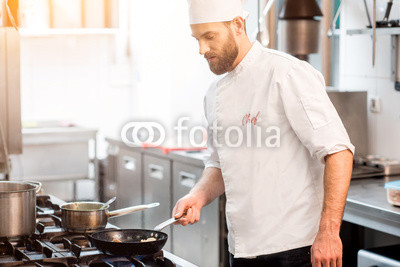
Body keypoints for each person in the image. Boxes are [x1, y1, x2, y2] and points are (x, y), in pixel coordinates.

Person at [172, 0, 354, 266]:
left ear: (237, 25)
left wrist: (328, 233)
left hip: (297, 248)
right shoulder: (213, 94)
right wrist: (197, 196)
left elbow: (338, 151)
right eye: (197, 38)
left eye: (209, 36)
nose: (202, 49)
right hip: (242, 250)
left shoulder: (286, 73)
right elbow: (219, 163)